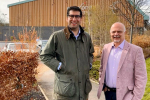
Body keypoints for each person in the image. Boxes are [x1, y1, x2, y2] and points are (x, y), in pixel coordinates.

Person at [40, 6, 94, 100]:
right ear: (67, 18)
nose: (74, 19)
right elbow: (45, 56)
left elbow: (90, 53)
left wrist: (88, 64)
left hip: (83, 90)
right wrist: (59, 66)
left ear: (80, 18)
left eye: (77, 16)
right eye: (71, 16)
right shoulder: (57, 36)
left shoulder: (86, 37)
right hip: (65, 90)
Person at [97, 22, 147, 100]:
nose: (116, 34)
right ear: (110, 33)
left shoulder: (136, 50)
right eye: (113, 32)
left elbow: (141, 77)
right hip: (108, 94)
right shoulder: (106, 48)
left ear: (125, 33)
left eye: (119, 31)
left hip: (126, 95)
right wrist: (102, 84)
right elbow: (102, 69)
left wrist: (135, 98)